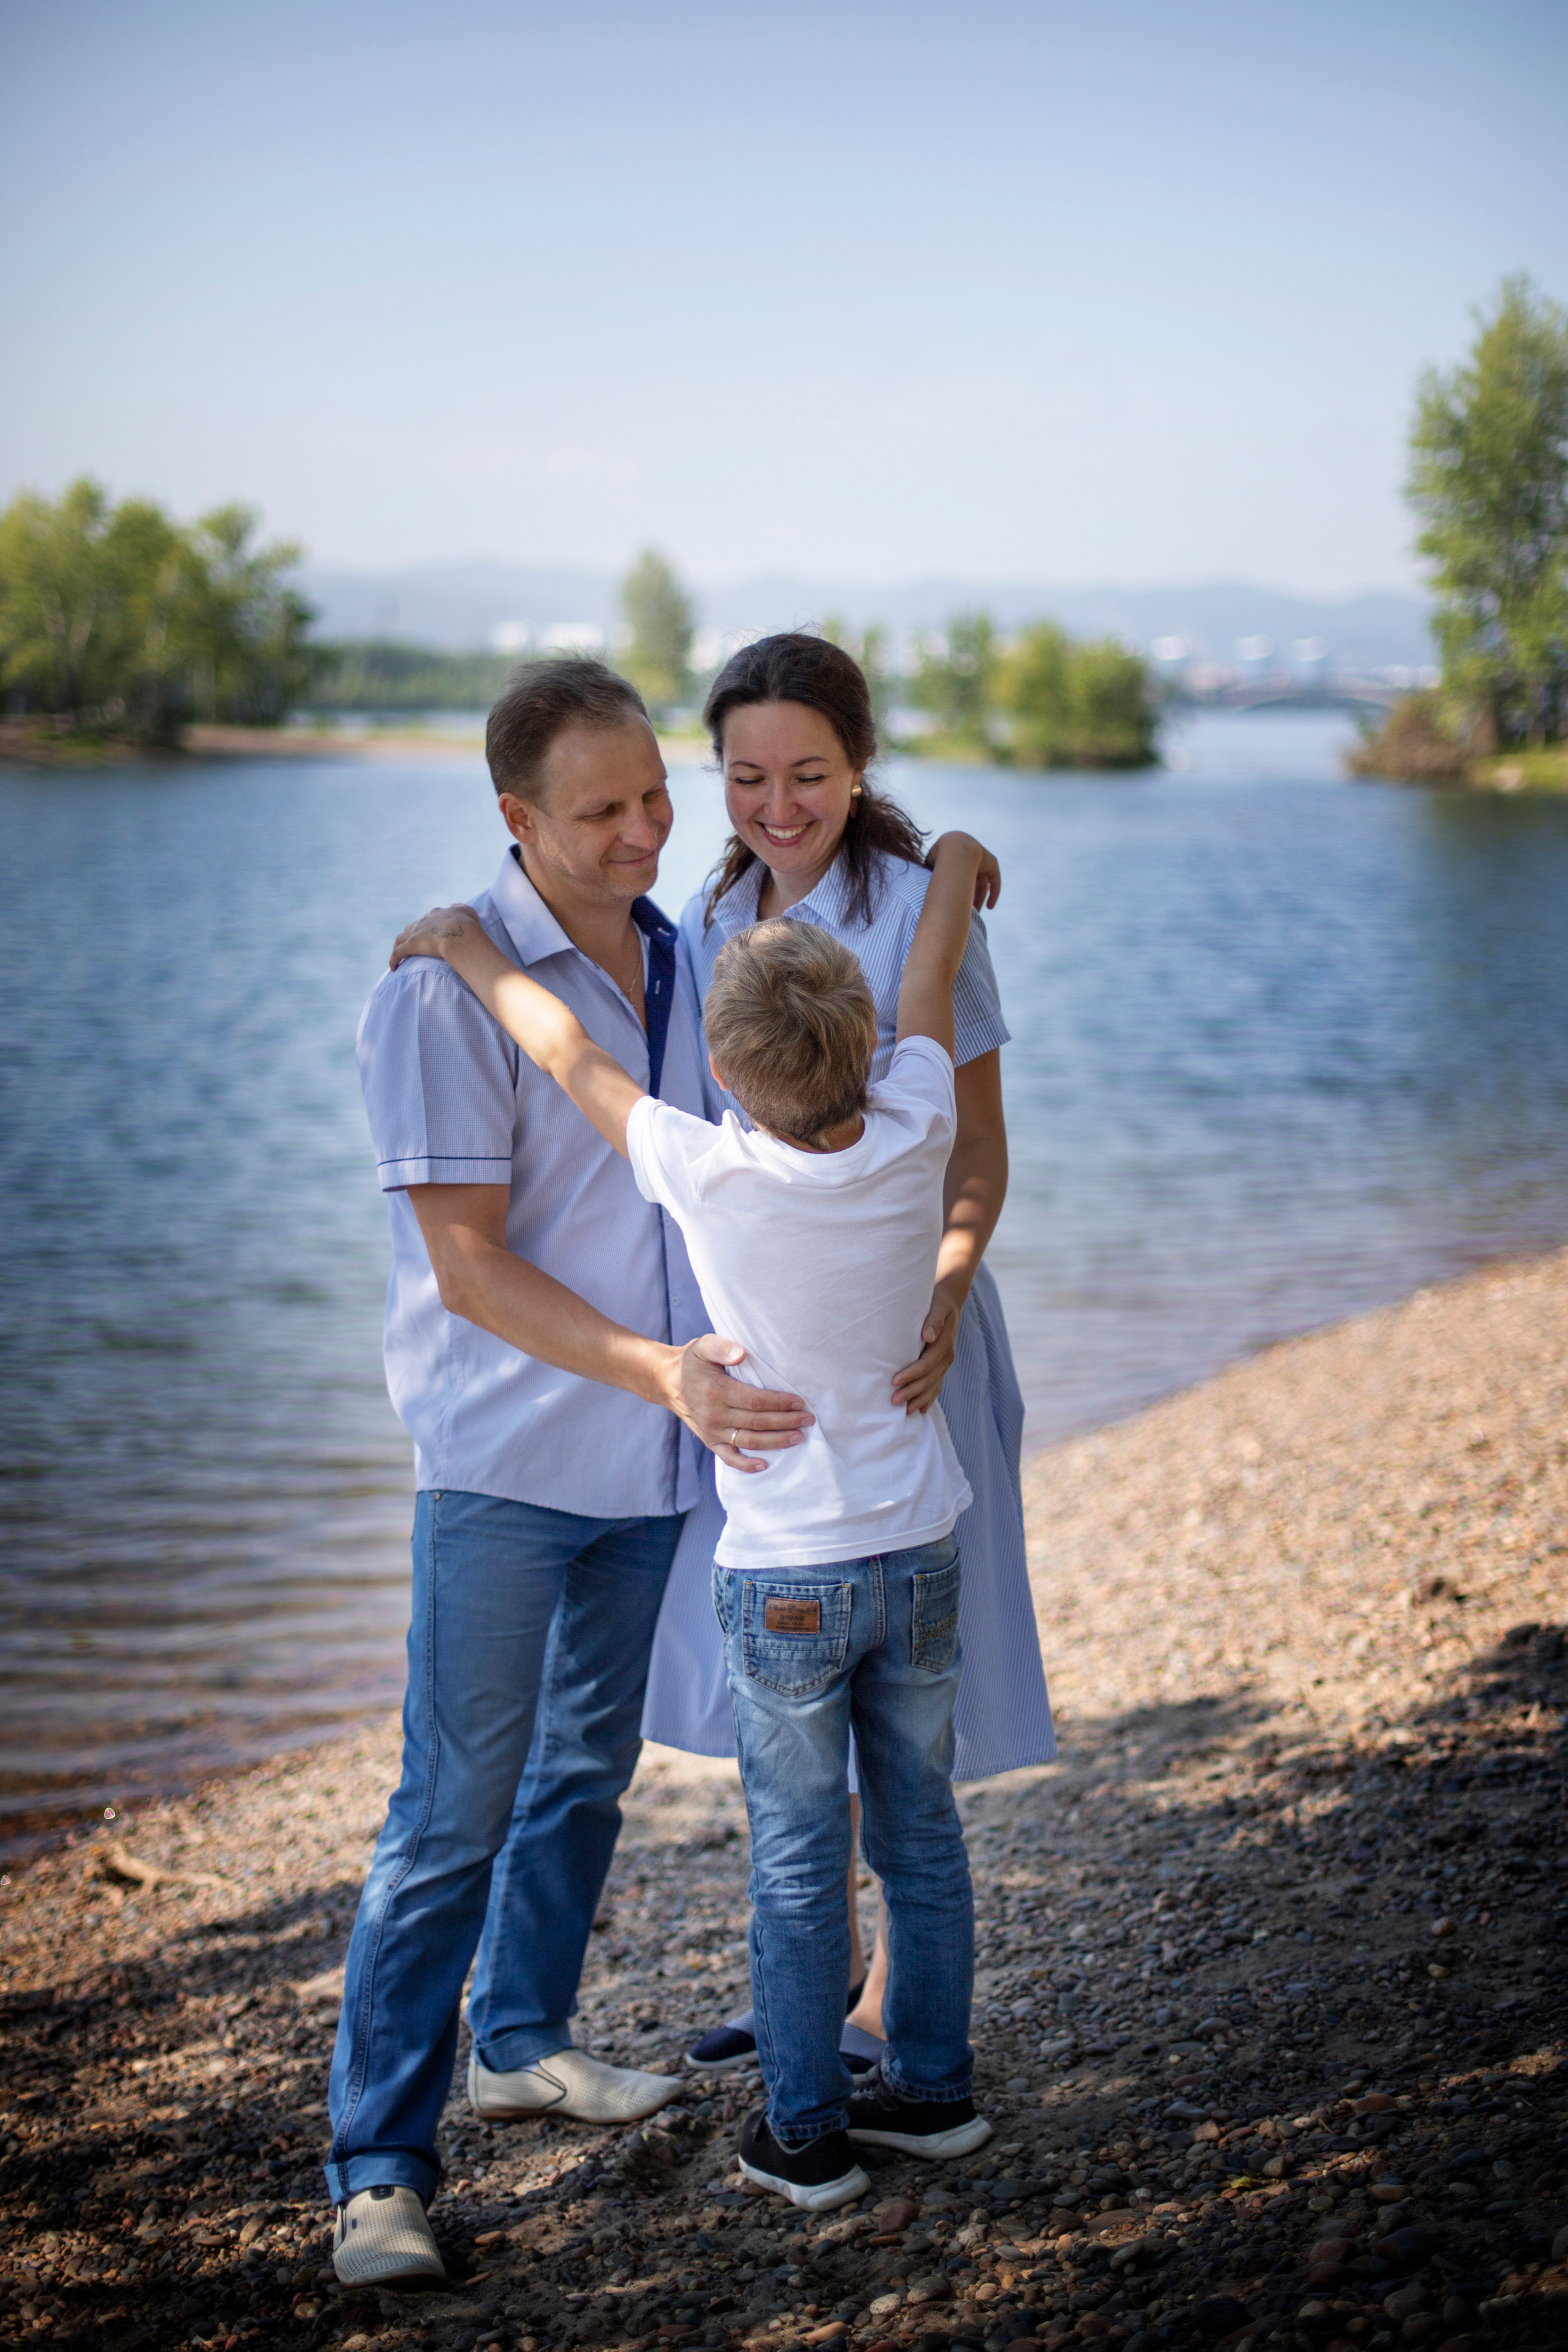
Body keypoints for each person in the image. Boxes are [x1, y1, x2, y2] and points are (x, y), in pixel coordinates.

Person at [388, 824, 1001, 2212]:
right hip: (917, 1550)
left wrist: (468, 947)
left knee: (798, 1859)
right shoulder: (915, 1120)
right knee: (918, 1836)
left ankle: (802, 2132)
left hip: (788, 1573)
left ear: (722, 1073)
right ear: (859, 1051)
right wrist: (951, 874)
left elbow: (571, 1059)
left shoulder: (710, 1171)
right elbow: (925, 987)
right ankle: (934, 2093)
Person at [330, 659, 813, 2290]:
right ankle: (378, 2170)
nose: (645, 832)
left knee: (582, 1776)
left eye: (656, 797)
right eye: (601, 811)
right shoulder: (439, 995)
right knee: (448, 1812)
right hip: (506, 1464)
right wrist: (664, 1374)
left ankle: (519, 2040)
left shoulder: (690, 960)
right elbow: (467, 1270)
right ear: (515, 819)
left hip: (656, 1466)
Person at [647, 633, 1055, 2069]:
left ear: (856, 764)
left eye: (807, 774)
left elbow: (978, 1158)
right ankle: (807, 1989)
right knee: (791, 1699)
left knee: (897, 1697)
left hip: (909, 1352)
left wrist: (942, 1297)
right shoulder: (711, 915)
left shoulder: (917, 912)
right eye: (747, 775)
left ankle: (891, 1998)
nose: (776, 803)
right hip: (773, 1365)